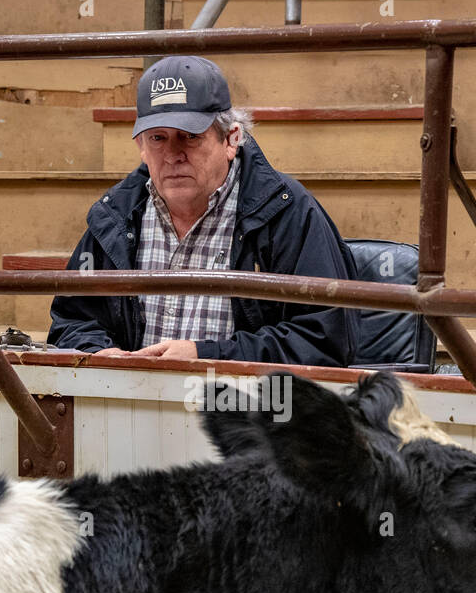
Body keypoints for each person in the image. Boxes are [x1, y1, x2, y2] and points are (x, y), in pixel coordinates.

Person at [47, 55, 357, 366]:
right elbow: (72, 322)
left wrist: (206, 357)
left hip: (244, 407)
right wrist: (100, 355)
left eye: (190, 136)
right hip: (134, 405)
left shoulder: (287, 212)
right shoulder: (116, 215)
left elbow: (325, 341)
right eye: (158, 138)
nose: (172, 155)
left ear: (231, 140)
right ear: (141, 146)